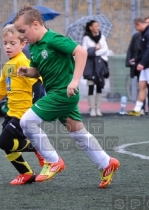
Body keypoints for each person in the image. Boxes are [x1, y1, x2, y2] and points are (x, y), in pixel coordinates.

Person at [14, 6, 120, 188]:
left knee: (26, 122)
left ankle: (52, 160)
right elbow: (38, 70)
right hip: (60, 94)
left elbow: (81, 52)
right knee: (78, 133)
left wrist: (75, 80)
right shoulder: (34, 46)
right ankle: (106, 162)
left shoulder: (53, 39)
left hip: (63, 92)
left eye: (23, 31)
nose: (22, 36)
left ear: (36, 24)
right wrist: (27, 71)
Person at [0, 24, 44, 185]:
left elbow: (37, 83)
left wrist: (34, 108)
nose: (8, 47)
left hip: (23, 114)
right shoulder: (8, 66)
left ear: (23, 44)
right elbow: (0, 90)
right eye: (5, 43)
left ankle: (37, 147)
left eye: (13, 43)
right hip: (11, 113)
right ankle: (26, 173)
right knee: (7, 146)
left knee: (3, 142)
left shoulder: (24, 62)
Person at [82, 20, 109, 117]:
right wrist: (95, 49)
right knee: (91, 86)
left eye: (98, 26)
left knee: (99, 86)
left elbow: (106, 50)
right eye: (95, 26)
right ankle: (92, 108)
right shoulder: (86, 38)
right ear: (90, 27)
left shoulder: (102, 37)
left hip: (100, 65)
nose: (97, 27)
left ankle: (98, 108)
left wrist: (95, 53)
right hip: (90, 66)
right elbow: (84, 51)